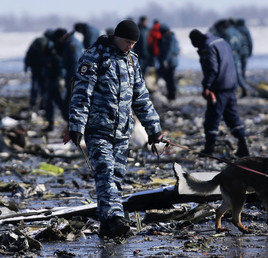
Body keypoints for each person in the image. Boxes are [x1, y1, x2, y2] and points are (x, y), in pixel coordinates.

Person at [68, 20, 164, 238]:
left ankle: (107, 227)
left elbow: (141, 98)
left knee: (116, 179)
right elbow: (82, 94)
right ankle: (118, 220)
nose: (130, 46)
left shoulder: (132, 60)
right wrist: (76, 125)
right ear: (116, 36)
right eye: (127, 42)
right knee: (105, 176)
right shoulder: (95, 57)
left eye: (134, 43)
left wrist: (154, 129)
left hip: (122, 132)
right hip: (97, 129)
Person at [189, 29, 250, 157]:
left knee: (212, 118)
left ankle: (209, 149)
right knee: (232, 117)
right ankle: (243, 145)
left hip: (219, 88)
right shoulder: (221, 41)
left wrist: (206, 86)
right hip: (231, 85)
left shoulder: (207, 46)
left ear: (195, 41)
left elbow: (212, 68)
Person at [53, 28, 84, 126]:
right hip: (72, 76)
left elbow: (75, 64)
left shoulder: (72, 45)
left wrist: (71, 80)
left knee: (71, 103)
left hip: (74, 78)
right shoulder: (68, 43)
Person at [24, 32, 49, 111]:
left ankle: (43, 104)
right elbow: (28, 55)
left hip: (43, 68)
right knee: (35, 87)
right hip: (35, 68)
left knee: (43, 87)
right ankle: (33, 103)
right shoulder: (35, 45)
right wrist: (26, 66)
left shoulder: (48, 45)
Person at [158, 23, 180, 101]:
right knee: (168, 78)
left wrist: (165, 60)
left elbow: (169, 51)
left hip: (171, 62)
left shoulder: (170, 38)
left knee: (170, 78)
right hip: (170, 61)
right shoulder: (168, 37)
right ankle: (171, 93)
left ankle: (172, 94)